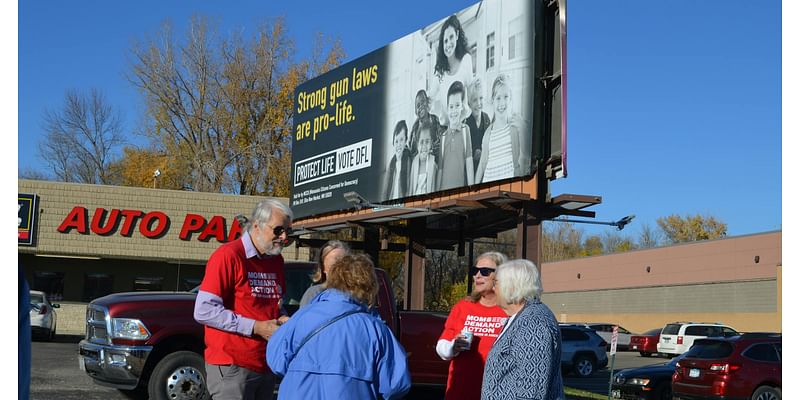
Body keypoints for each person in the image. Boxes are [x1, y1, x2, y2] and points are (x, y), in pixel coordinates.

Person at [267, 253, 411, 400]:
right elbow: (396, 384)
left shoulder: (301, 316)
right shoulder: (375, 330)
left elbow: (276, 361)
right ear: (369, 286)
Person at [193, 199, 293, 400]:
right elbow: (203, 310)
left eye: (287, 231)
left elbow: (272, 305)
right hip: (232, 366)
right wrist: (256, 327)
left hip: (266, 364)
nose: (284, 237)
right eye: (278, 230)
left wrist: (282, 318)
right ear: (257, 225)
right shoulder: (229, 255)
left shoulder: (276, 260)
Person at [481, 259, 564, 400]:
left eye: (496, 283)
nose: (493, 288)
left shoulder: (534, 323)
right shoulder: (520, 317)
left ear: (512, 286)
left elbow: (531, 391)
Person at [436, 252, 509, 400]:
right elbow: (441, 346)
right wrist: (452, 347)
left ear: (502, 276)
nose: (478, 276)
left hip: (496, 393)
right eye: (475, 271)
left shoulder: (509, 310)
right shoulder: (463, 307)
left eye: (485, 271)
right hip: (460, 392)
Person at [476, 74, 526, 184]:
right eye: (498, 98)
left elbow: (525, 157)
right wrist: (473, 188)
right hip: (489, 188)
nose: (502, 103)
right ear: (492, 100)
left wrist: (522, 130)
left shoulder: (516, 125)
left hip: (511, 186)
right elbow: (482, 164)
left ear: (511, 98)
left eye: (506, 97)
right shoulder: (488, 133)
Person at [432, 14, 473, 125]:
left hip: (463, 124)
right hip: (445, 127)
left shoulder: (466, 60)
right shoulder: (440, 70)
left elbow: (471, 93)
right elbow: (430, 96)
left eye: (451, 37)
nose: (448, 44)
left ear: (457, 35)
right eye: (445, 41)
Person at [438, 81, 474, 190]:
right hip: (443, 194)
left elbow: (469, 163)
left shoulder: (465, 130)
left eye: (457, 105)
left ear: (462, 107)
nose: (454, 111)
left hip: (459, 192)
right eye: (451, 107)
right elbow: (440, 170)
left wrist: (472, 190)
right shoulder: (443, 137)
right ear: (447, 108)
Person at [299, 240, 349, 307]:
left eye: (345, 261)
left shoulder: (358, 294)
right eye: (335, 262)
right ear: (323, 267)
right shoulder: (314, 294)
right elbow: (305, 317)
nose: (341, 267)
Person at [382, 120, 412, 200]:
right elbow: (385, 191)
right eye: (396, 141)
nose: (399, 144)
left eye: (401, 140)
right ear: (393, 143)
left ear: (406, 141)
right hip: (391, 203)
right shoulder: (391, 164)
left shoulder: (408, 160)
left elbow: (409, 186)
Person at [465, 78, 490, 171]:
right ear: (469, 103)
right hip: (471, 169)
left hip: (485, 167)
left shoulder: (487, 119)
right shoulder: (466, 122)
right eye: (475, 100)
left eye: (481, 98)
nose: (479, 103)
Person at [409, 89, 441, 159]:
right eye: (418, 105)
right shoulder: (415, 128)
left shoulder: (435, 120)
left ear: (427, 102)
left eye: (423, 101)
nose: (421, 106)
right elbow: (412, 152)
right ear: (415, 111)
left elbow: (441, 143)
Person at [409, 122, 438, 195]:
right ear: (417, 144)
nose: (424, 146)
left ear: (431, 143)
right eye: (421, 142)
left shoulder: (433, 165)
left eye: (427, 141)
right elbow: (411, 190)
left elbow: (435, 189)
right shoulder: (414, 163)